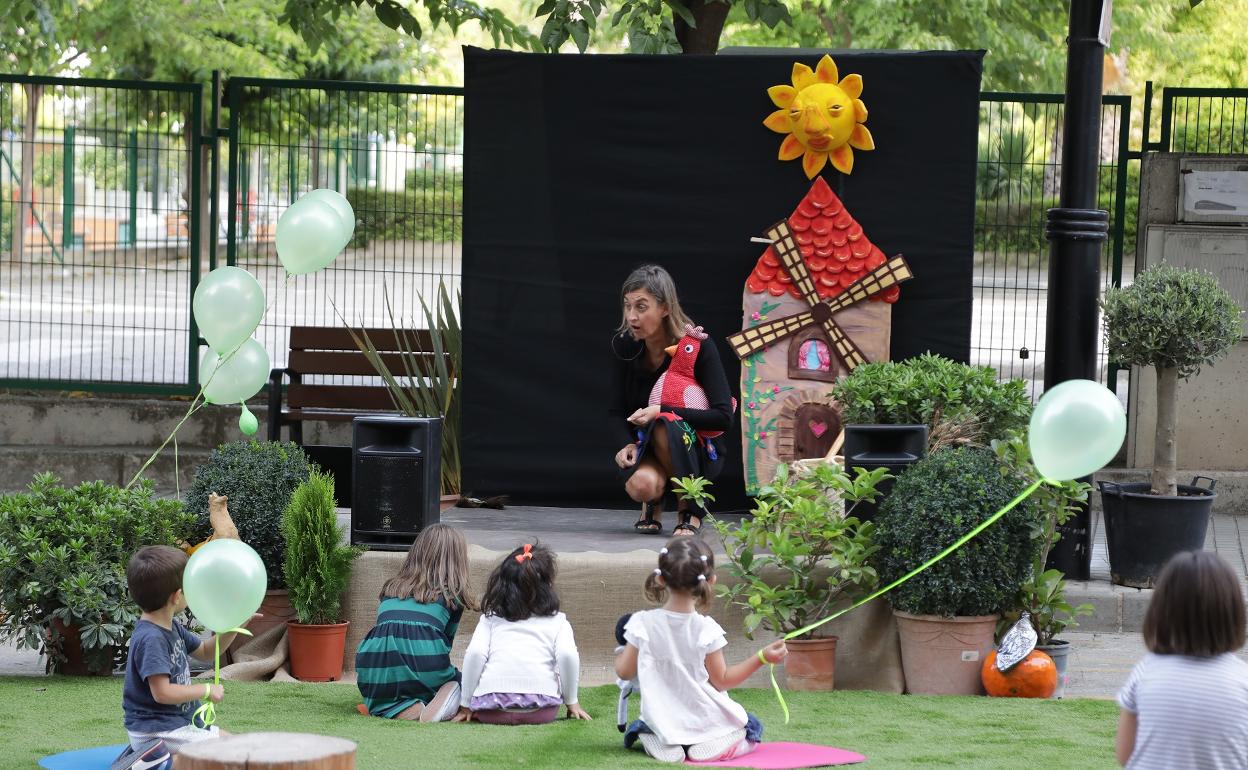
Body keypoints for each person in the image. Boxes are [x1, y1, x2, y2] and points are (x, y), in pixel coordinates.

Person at [615, 538, 787, 763]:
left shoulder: (641, 623)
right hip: (705, 720)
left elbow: (625, 672)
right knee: (751, 725)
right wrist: (761, 657)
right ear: (711, 581)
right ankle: (713, 743)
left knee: (644, 726)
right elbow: (722, 681)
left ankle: (660, 739)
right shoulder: (707, 629)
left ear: (659, 578)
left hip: (661, 719)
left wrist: (620, 653)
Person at [610, 265, 734, 536]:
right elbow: (615, 411)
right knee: (642, 484)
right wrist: (626, 444)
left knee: (666, 422)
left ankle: (689, 506)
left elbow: (723, 416)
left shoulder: (695, 347)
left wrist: (661, 410)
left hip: (694, 451)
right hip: (648, 446)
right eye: (628, 306)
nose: (632, 316)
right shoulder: (627, 347)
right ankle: (652, 503)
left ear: (665, 308)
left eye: (642, 307)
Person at [1115, 551, 1248, 769]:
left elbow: (1124, 754)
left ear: (1161, 611)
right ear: (1233, 613)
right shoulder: (1244, 680)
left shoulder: (1146, 671)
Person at [122, 545, 250, 755]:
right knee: (233, 751)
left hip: (176, 725)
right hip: (157, 733)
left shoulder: (171, 628)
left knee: (236, 744)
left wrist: (235, 625)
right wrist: (205, 689)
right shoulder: (151, 638)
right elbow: (162, 693)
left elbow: (207, 651)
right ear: (177, 596)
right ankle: (158, 761)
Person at [452, 542, 591, 725]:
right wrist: (571, 701)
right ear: (549, 585)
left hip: (491, 710)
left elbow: (475, 654)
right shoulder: (558, 622)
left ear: (501, 585)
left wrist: (466, 703)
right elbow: (567, 655)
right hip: (541, 711)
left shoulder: (490, 620)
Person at [356, 523, 474, 721]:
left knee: (391, 682)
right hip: (426, 665)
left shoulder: (391, 589)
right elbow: (442, 646)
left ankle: (400, 706)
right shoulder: (451, 596)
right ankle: (442, 699)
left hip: (373, 669)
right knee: (463, 683)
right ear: (457, 560)